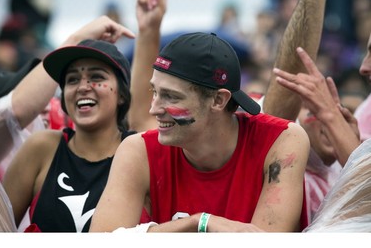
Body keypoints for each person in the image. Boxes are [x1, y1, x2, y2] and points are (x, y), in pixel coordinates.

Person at [90, 30, 310, 232]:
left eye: (171, 96)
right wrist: (198, 223)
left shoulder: (281, 140)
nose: (153, 109)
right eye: (154, 91)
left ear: (218, 100)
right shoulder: (138, 149)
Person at [1, 0, 169, 233]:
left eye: (97, 76)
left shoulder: (142, 154)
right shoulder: (41, 148)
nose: (82, 86)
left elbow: (143, 110)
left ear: (122, 95)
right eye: (72, 80)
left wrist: (149, 29)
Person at [263, 0, 362, 224]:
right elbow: (286, 86)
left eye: (344, 112)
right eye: (312, 104)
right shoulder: (287, 166)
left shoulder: (344, 165)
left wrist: (355, 149)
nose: (329, 111)